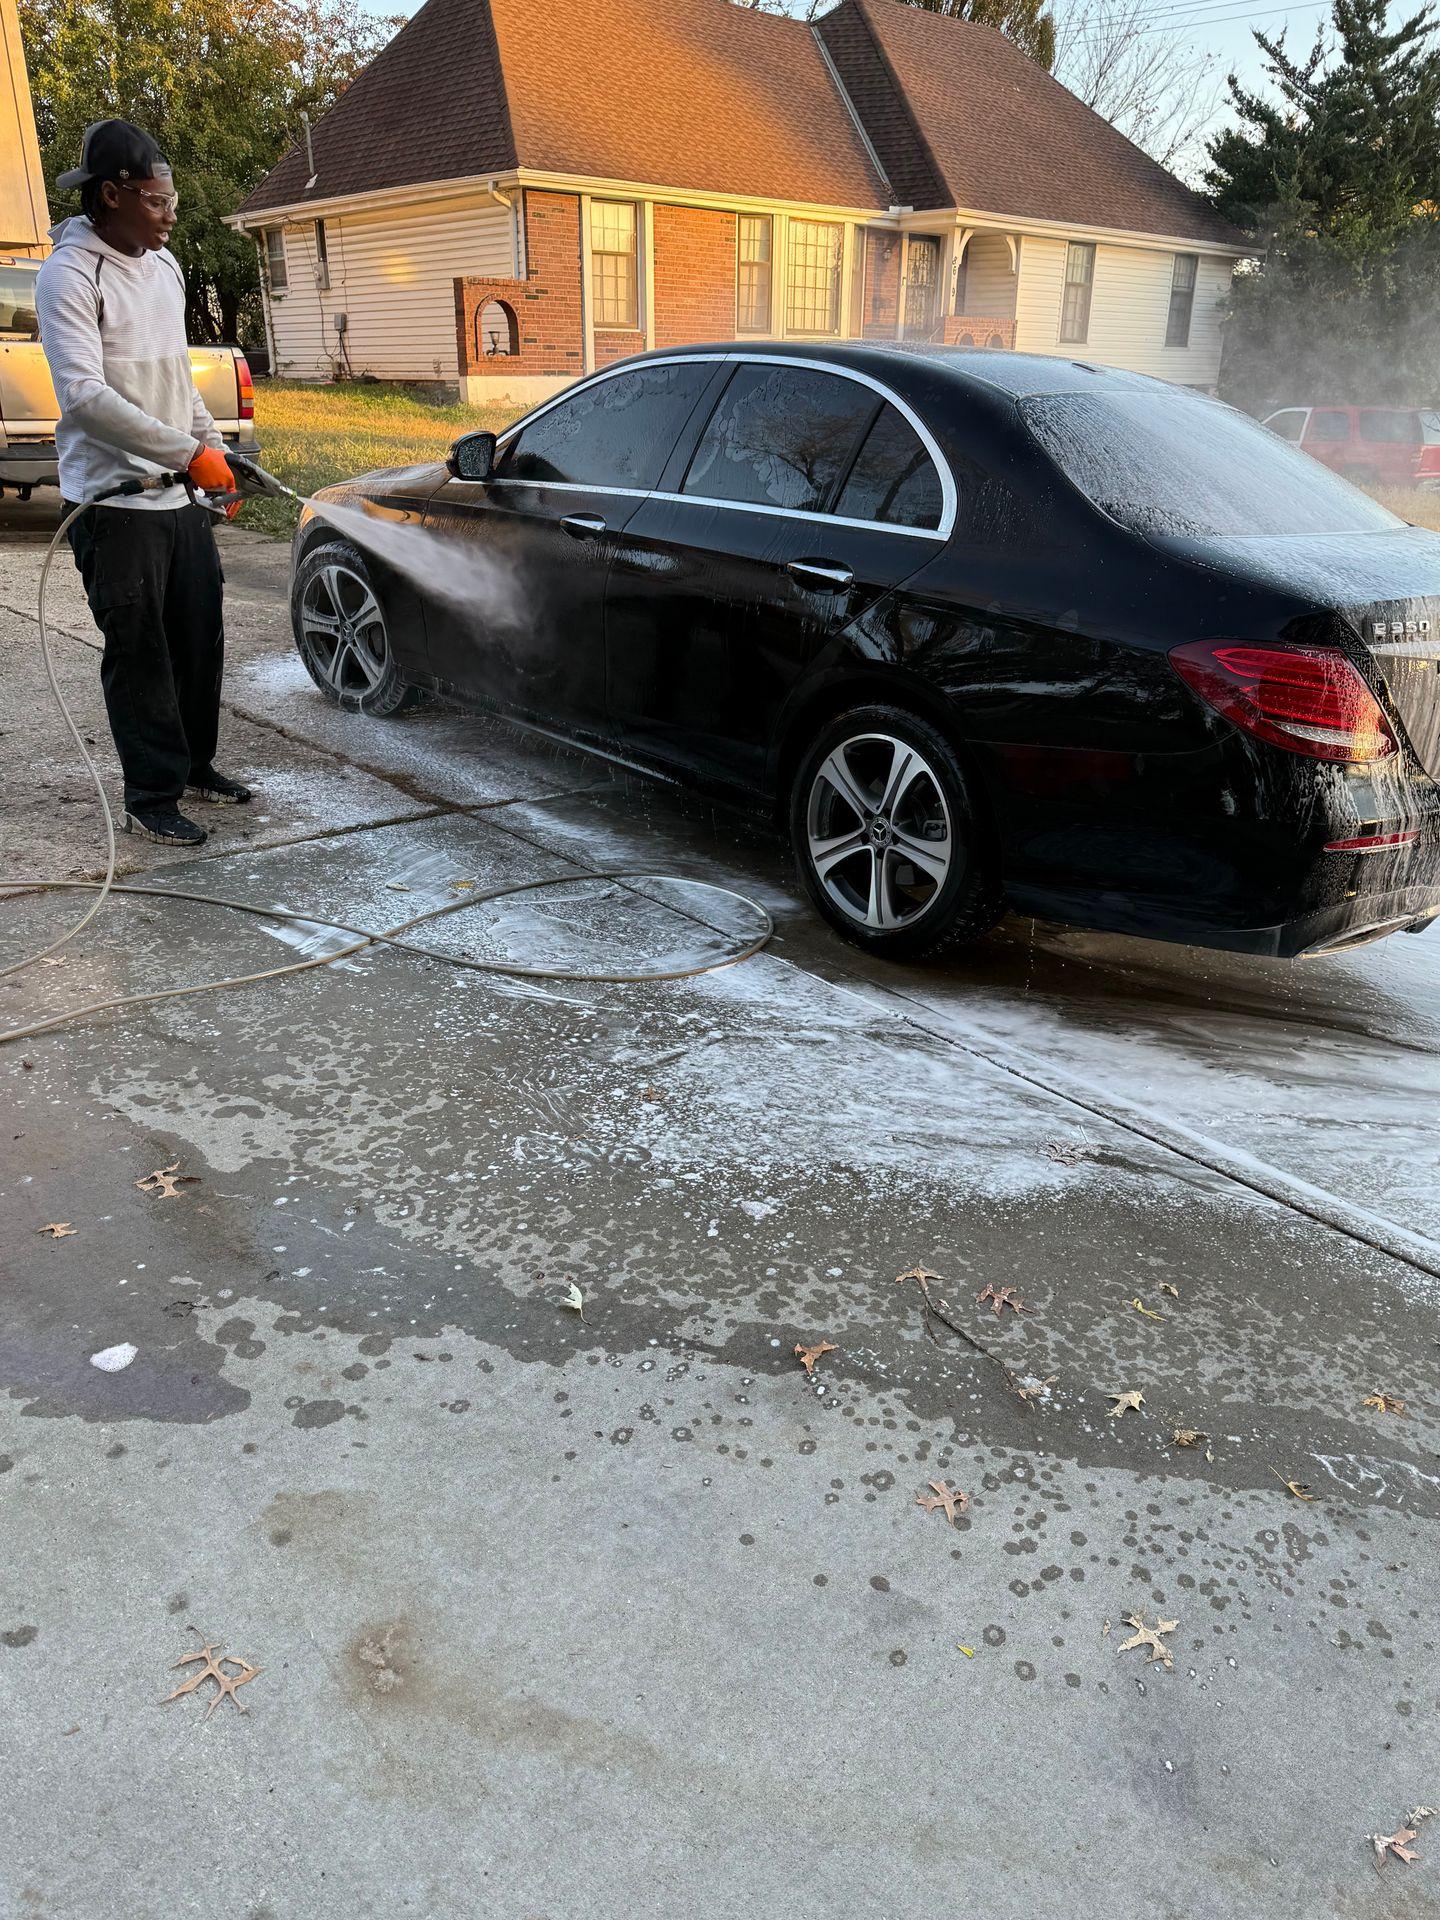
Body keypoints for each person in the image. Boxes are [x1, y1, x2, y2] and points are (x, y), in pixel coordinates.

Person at [35, 119, 252, 846]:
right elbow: (84, 397)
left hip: (178, 495)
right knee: (141, 652)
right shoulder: (69, 274)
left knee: (199, 638)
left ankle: (194, 767)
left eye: (172, 202)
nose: (169, 216)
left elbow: (177, 375)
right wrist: (184, 454)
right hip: (113, 504)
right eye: (157, 202)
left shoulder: (164, 268)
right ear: (111, 195)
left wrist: (212, 451)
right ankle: (150, 797)